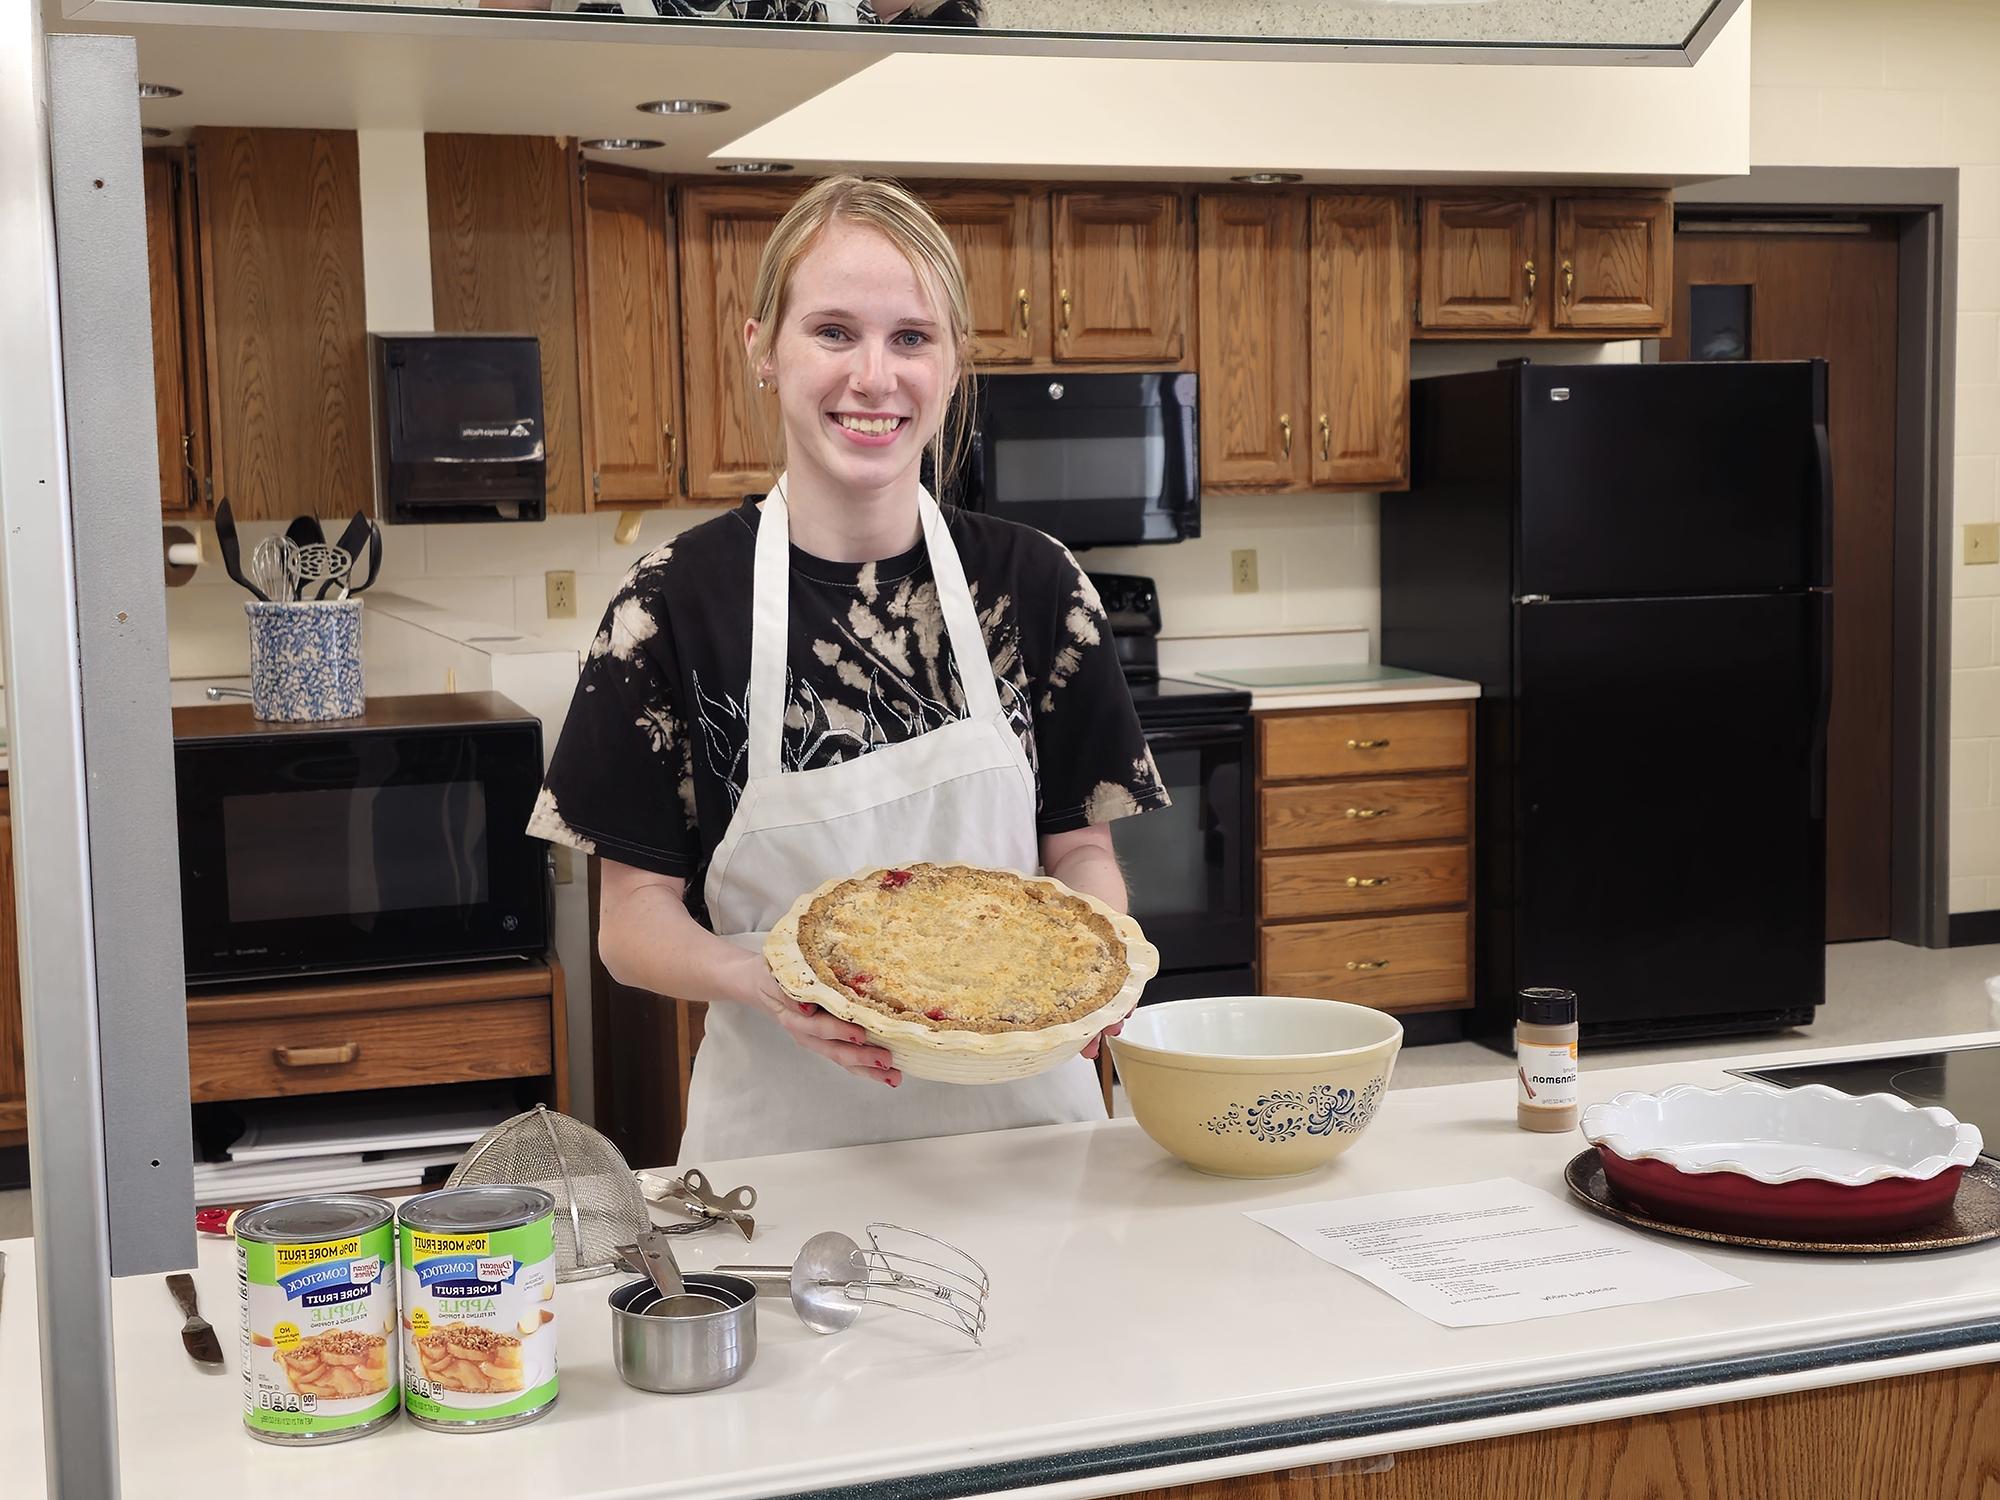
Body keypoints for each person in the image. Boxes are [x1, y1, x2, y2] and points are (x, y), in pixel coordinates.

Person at [530, 175, 1168, 1160]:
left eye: (910, 337)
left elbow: (1076, 856)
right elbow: (630, 924)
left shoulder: (1035, 585)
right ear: (762, 351)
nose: (874, 377)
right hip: (784, 1169)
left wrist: (1096, 965)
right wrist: (767, 980)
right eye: (833, 332)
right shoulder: (669, 607)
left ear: (953, 363)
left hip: (1030, 1148)